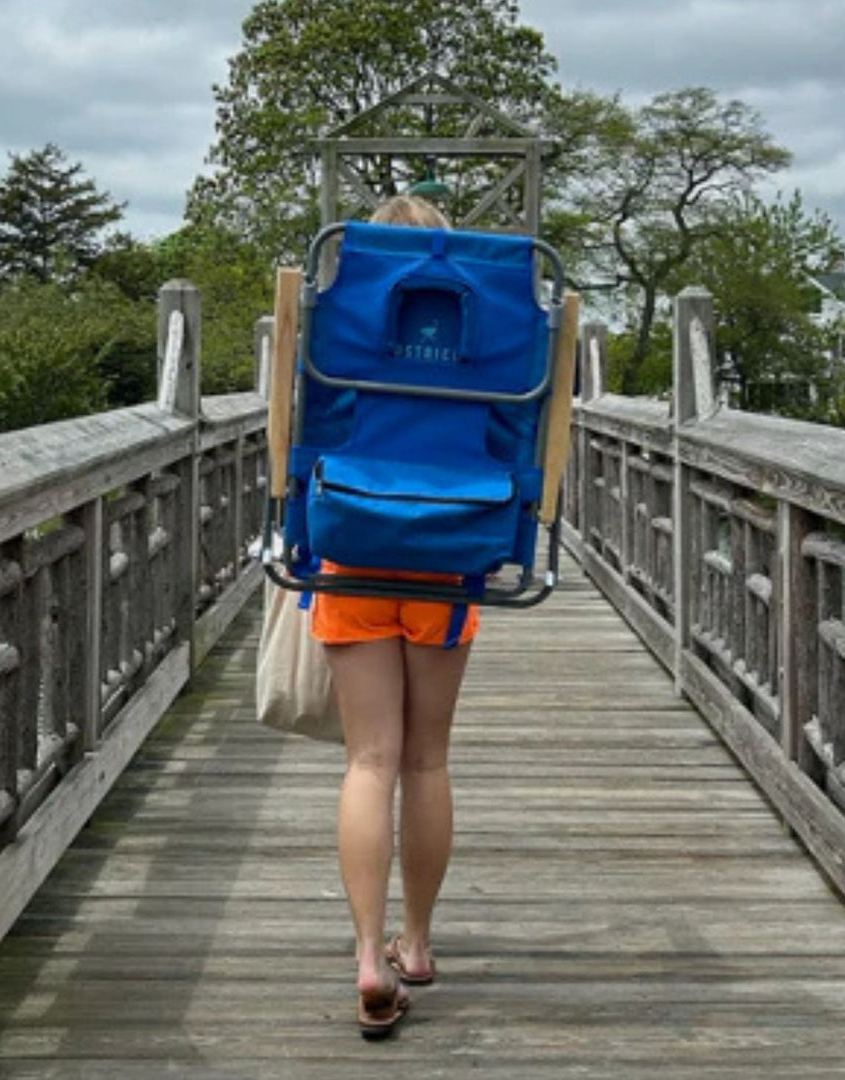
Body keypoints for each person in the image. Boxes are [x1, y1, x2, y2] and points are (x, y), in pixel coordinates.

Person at [309, 194, 479, 1038]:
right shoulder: (486, 329)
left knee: (368, 760)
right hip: (448, 549)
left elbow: (300, 434)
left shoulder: (337, 324)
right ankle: (416, 942)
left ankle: (369, 953)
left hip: (352, 546)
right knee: (426, 759)